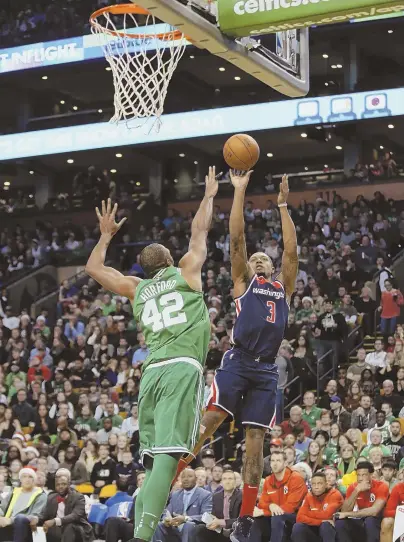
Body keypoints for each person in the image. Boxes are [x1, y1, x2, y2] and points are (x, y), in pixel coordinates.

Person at [85, 168, 217, 542]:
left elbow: (93, 267)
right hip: (181, 367)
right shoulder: (187, 272)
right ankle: (143, 537)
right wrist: (207, 196)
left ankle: (141, 532)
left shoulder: (136, 288)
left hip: (151, 373)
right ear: (172, 260)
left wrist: (105, 236)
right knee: (170, 456)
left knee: (158, 458)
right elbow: (199, 232)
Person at [175, 174, 298, 542]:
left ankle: (245, 517)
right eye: (255, 258)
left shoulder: (283, 289)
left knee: (255, 442)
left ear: (272, 268)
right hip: (238, 361)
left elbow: (292, 252)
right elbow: (237, 239)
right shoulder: (245, 283)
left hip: (265, 370)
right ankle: (172, 473)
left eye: (264, 259)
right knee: (209, 421)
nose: (258, 260)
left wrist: (282, 206)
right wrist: (240, 190)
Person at [250, 450, 307, 542]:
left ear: (285, 463)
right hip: (274, 518)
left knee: (277, 517)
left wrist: (265, 512)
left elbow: (290, 508)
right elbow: (262, 503)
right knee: (256, 519)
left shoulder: (296, 479)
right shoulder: (268, 480)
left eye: (278, 461)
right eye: (272, 461)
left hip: (295, 518)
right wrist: (270, 506)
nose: (275, 464)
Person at [152, 468, 212, 542]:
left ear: (196, 479)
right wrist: (166, 519)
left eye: (189, 476)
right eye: (183, 477)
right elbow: (167, 511)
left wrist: (185, 518)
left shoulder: (205, 495)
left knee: (188, 526)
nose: (186, 479)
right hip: (175, 526)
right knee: (158, 525)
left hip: (194, 527)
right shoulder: (175, 494)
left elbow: (206, 516)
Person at [335, 461, 389, 542]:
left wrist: (347, 514)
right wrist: (357, 490)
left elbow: (374, 511)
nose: (360, 478)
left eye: (364, 475)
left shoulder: (382, 486)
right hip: (361, 519)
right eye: (358, 475)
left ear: (371, 475)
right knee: (340, 523)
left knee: (370, 520)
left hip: (378, 520)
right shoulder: (353, 487)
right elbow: (344, 510)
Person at [34, 473, 93, 542]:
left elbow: (75, 516)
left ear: (69, 485)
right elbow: (44, 515)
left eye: (63, 484)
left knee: (69, 526)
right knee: (37, 526)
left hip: (77, 529)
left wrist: (55, 521)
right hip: (56, 529)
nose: (60, 486)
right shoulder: (51, 497)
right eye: (58, 485)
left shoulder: (78, 497)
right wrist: (35, 519)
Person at [291, 471, 343, 542]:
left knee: (325, 525)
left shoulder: (335, 494)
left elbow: (327, 515)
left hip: (331, 532)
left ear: (326, 484)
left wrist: (308, 513)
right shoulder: (309, 496)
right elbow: (299, 517)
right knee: (298, 526)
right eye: (313, 484)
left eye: (319, 484)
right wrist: (320, 520)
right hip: (314, 531)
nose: (316, 487)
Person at [194, 470, 242, 542]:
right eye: (224, 479)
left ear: (235, 482)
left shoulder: (242, 496)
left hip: (236, 532)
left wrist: (221, 522)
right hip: (220, 531)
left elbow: (242, 520)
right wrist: (211, 522)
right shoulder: (216, 496)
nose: (227, 481)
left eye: (230, 479)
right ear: (221, 482)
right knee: (200, 529)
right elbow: (214, 516)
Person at [0, 468, 47, 542]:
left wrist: (11, 520)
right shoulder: (14, 492)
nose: (27, 479)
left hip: (26, 525)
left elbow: (36, 515)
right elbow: (2, 508)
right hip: (8, 523)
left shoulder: (40, 495)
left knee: (20, 517)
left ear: (34, 480)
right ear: (20, 479)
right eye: (24, 476)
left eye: (30, 477)